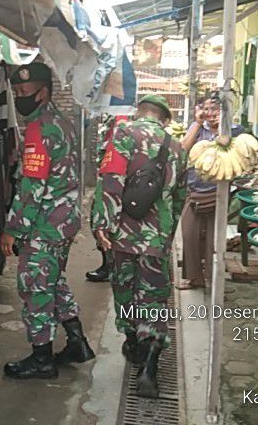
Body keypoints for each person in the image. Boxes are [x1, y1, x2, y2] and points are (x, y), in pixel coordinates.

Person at [0, 62, 95, 379]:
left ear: (43, 92)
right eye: (16, 93)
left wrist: (13, 229)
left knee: (35, 288)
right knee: (52, 280)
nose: (19, 97)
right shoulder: (63, 121)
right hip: (65, 220)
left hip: (45, 225)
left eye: (24, 92)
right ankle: (77, 341)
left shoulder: (39, 129)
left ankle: (42, 358)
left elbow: (31, 189)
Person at [91, 95, 187, 398]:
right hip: (157, 239)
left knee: (125, 288)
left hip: (123, 235)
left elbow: (110, 181)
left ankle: (132, 341)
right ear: (165, 119)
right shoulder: (177, 147)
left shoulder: (123, 135)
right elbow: (181, 196)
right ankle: (149, 367)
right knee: (154, 299)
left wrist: (101, 224)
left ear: (139, 113)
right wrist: (167, 234)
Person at [178, 93, 243, 289]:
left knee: (214, 242)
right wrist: (197, 124)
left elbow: (240, 160)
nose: (210, 114)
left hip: (219, 193)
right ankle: (194, 278)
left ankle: (214, 282)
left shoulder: (236, 132)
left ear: (225, 111)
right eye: (206, 109)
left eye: (216, 109)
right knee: (189, 234)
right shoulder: (198, 128)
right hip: (194, 189)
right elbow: (182, 150)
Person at [86, 114, 130, 283]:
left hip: (113, 178)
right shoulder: (107, 120)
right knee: (97, 223)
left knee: (106, 223)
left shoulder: (121, 121)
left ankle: (112, 267)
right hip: (104, 175)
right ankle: (108, 265)